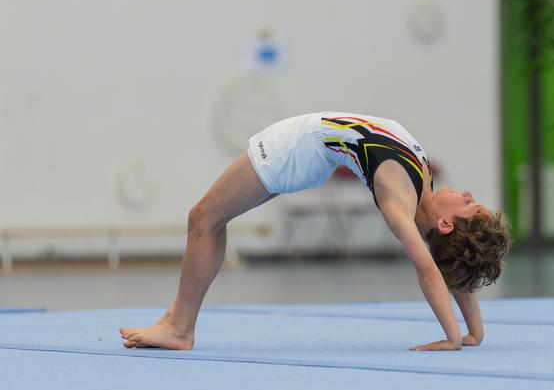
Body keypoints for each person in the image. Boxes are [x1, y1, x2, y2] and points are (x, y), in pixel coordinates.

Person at [119, 112, 511, 351]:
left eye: (469, 204)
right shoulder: (420, 187)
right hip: (306, 147)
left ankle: (180, 327)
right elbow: (450, 259)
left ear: (445, 223)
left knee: (201, 218)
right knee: (211, 220)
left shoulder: (398, 199)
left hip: (294, 148)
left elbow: (428, 268)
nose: (467, 194)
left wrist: (453, 338)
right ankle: (176, 317)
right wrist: (474, 331)